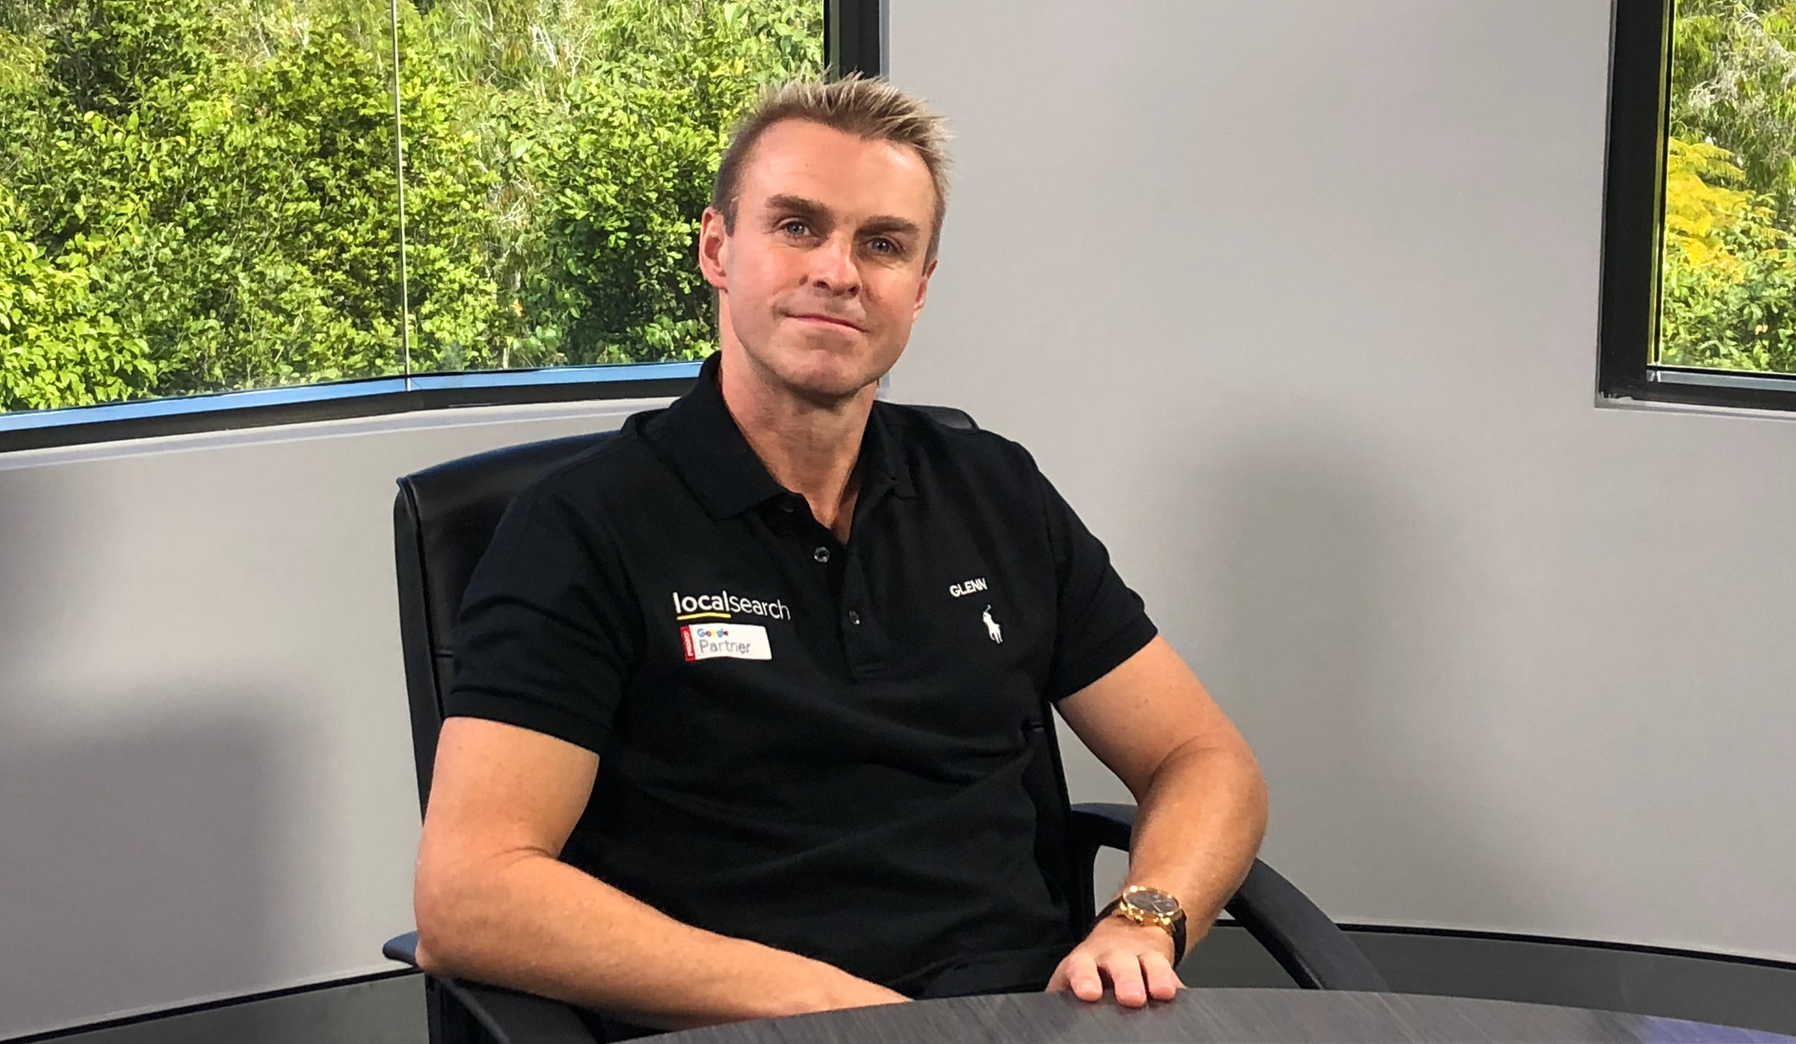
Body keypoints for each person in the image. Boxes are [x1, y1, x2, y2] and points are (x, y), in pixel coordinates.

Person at [414, 77, 1267, 1033]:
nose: (840, 272)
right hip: (745, 1022)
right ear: (716, 250)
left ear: (921, 286)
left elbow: (1204, 758)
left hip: (1027, 1015)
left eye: (883, 244)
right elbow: (470, 896)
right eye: (797, 227)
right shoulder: (581, 526)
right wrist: (825, 1003)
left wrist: (1145, 921)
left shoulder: (995, 491)